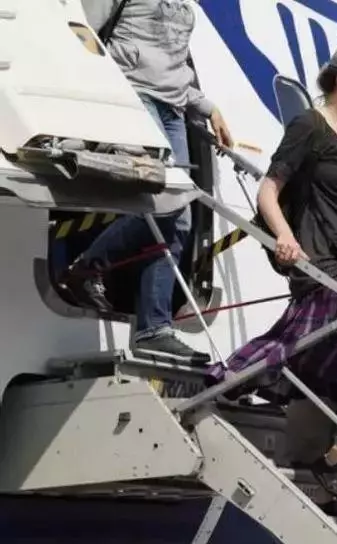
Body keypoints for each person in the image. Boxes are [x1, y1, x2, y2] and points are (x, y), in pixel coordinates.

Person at [203, 41, 337, 523]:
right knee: (312, 337)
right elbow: (268, 190)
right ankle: (236, 376)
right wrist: (285, 237)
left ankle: (335, 459)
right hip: (322, 258)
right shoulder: (308, 126)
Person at [62, 0, 235, 364]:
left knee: (179, 218)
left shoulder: (185, 6)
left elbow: (174, 71)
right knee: (166, 207)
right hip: (134, 95)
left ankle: (153, 329)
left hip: (173, 109)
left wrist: (209, 108)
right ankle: (90, 268)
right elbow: (80, 30)